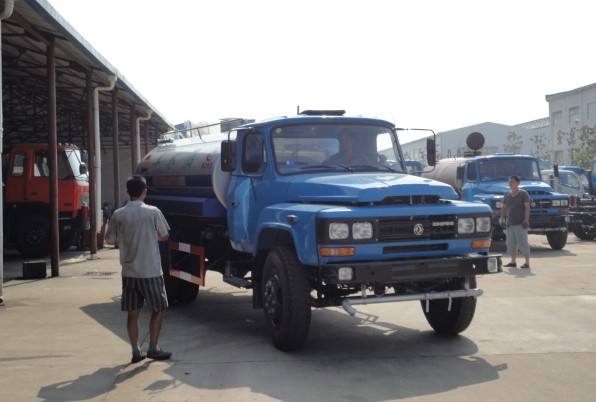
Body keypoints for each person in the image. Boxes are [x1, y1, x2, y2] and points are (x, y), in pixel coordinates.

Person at [105, 175, 172, 363]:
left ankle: (135, 351)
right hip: (150, 270)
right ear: (145, 192)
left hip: (129, 272)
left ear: (127, 192)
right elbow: (164, 235)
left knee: (133, 312)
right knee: (158, 308)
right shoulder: (152, 212)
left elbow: (109, 240)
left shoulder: (118, 214)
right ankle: (153, 348)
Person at [500, 175, 531, 269]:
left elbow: (527, 208)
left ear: (517, 183)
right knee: (511, 244)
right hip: (510, 224)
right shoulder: (507, 194)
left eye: (512, 181)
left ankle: (527, 262)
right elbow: (503, 207)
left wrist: (526, 220)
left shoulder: (523, 194)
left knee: (522, 243)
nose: (510, 183)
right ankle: (513, 262)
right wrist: (502, 219)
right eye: (509, 182)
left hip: (520, 223)